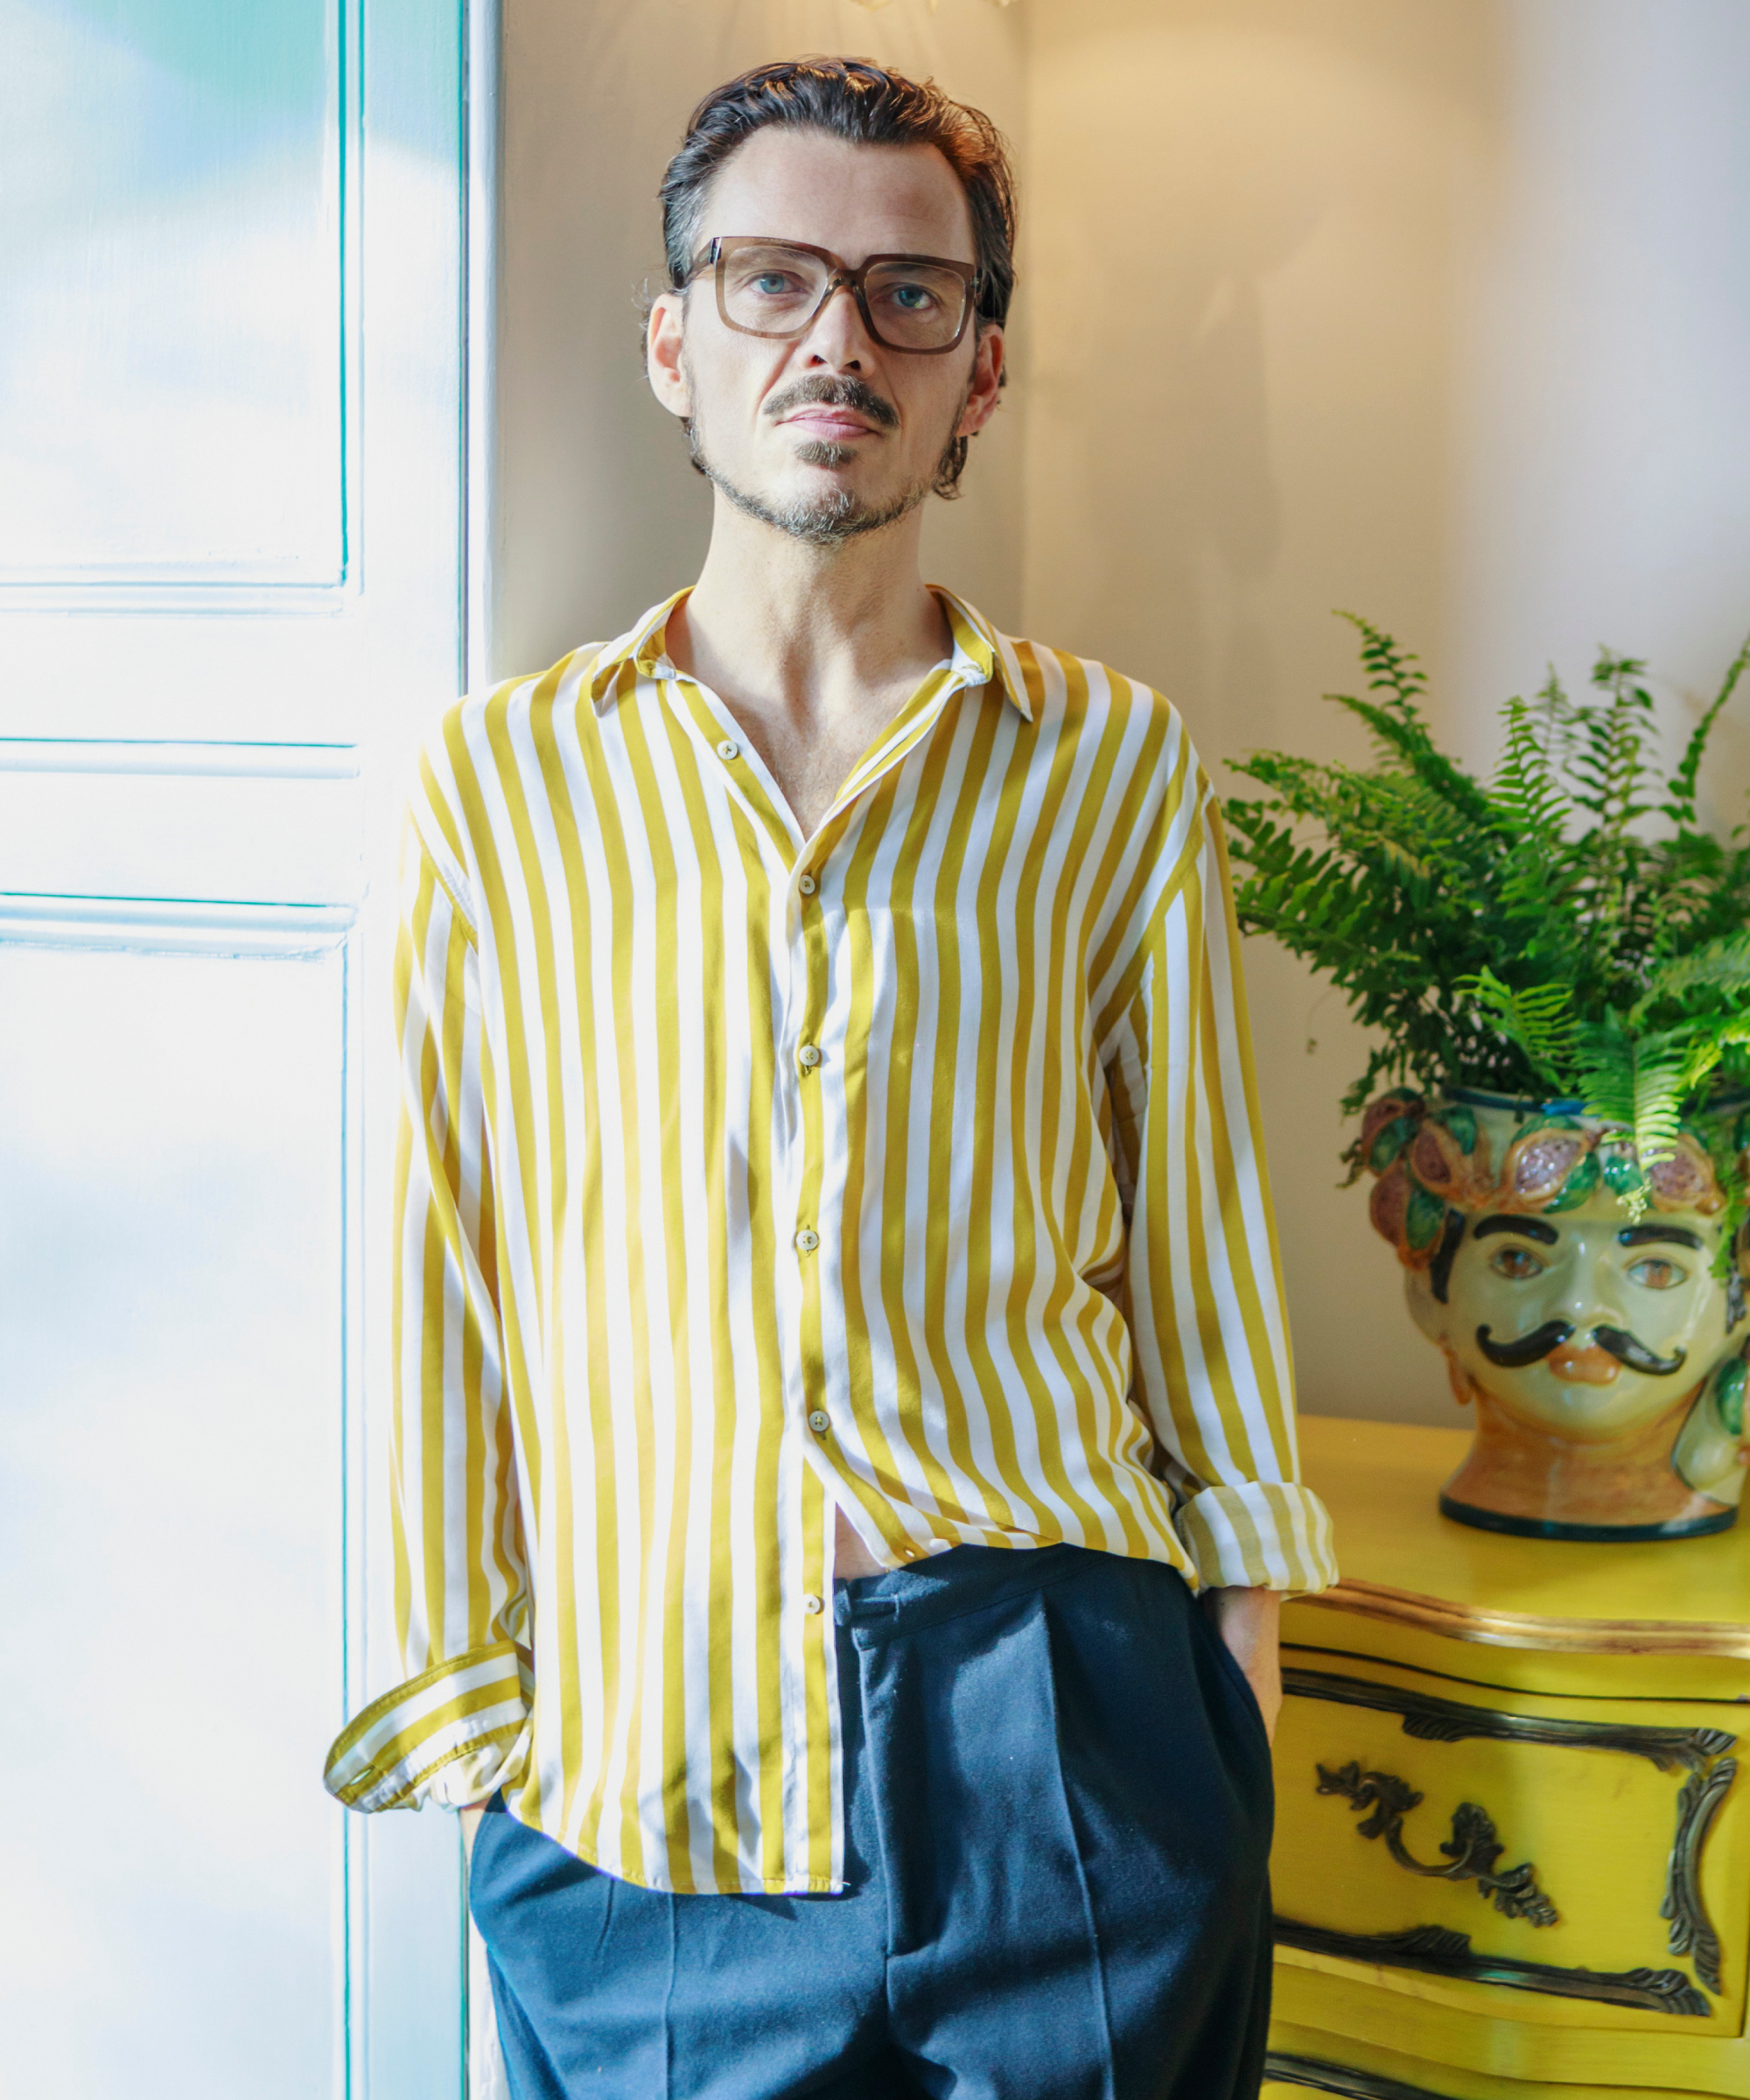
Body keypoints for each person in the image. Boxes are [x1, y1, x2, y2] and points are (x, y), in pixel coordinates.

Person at [325, 55, 1337, 2100]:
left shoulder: (1108, 762)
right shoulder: (497, 784)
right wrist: (466, 1713)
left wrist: (1231, 1709)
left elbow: (1200, 1245)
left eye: (909, 295)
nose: (838, 339)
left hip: (1064, 1718)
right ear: (672, 341)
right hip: (636, 1766)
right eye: (772, 279)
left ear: (977, 377)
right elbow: (437, 1266)